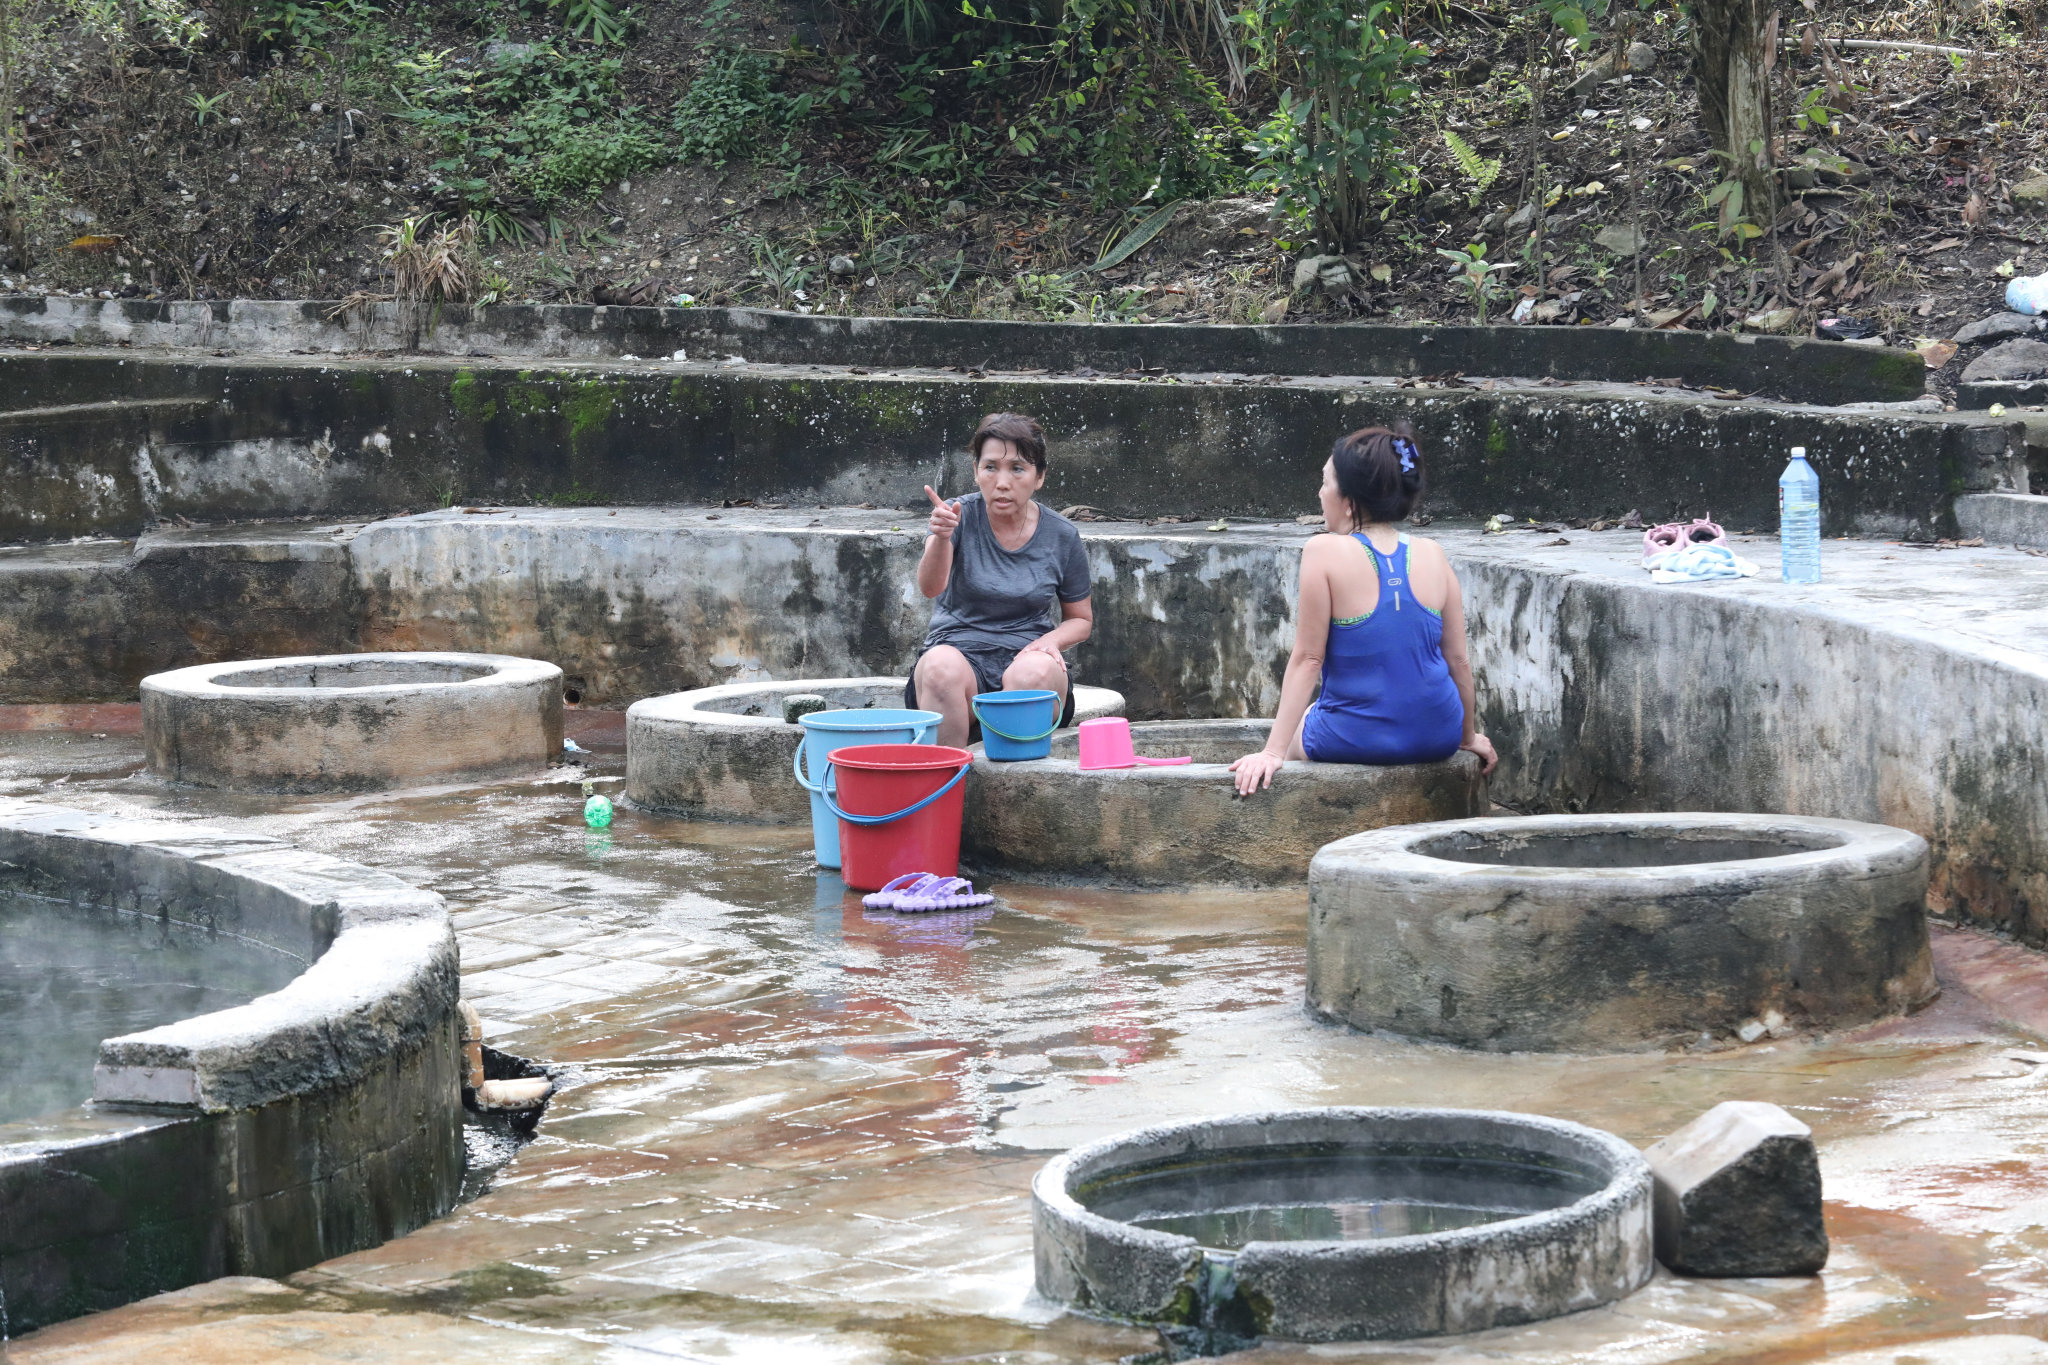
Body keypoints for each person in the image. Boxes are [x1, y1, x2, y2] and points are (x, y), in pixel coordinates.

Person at [1230, 423, 1497, 796]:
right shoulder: (1433, 553)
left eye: (1325, 482)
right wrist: (1467, 737)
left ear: (1348, 499)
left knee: (1303, 724)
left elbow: (1308, 659)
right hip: (1440, 734)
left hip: (1358, 738)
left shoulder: (1322, 551)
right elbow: (1459, 661)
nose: (1320, 493)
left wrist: (1272, 752)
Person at [909, 412, 1093, 748]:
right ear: (976, 471)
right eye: (991, 467)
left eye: (1018, 468)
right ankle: (944, 791)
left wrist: (1050, 643)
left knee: (1033, 673)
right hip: (958, 655)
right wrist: (940, 537)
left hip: (1027, 654)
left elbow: (1080, 619)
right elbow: (930, 588)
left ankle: (1015, 793)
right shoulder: (955, 516)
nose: (1002, 481)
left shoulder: (1062, 535)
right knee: (939, 667)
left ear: (1039, 477)